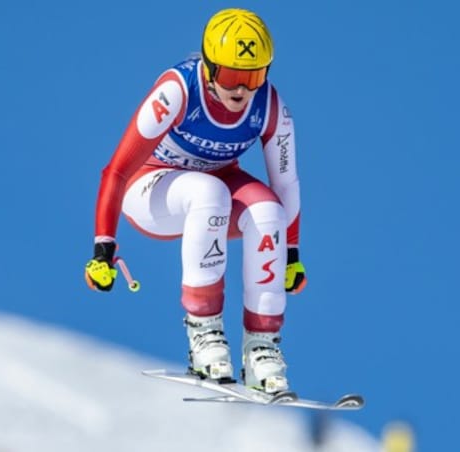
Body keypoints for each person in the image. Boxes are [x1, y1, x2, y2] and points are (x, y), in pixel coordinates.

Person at [84, 8, 306, 394]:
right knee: (210, 192)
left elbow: (286, 183)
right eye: (232, 76)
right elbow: (116, 170)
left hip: (215, 185)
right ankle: (204, 334)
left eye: (253, 76)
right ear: (207, 67)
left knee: (270, 211)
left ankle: (262, 349)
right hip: (151, 187)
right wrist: (103, 247)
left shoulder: (269, 106)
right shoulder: (178, 91)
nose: (242, 90)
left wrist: (291, 252)